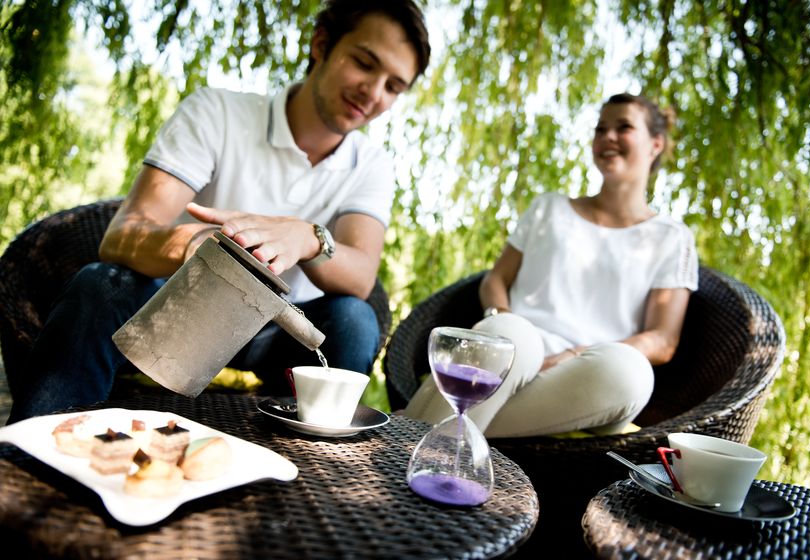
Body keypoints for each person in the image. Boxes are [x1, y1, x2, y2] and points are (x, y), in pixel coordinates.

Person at [6, 0, 431, 423]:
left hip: (278, 334)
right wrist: (203, 246)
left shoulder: (372, 164)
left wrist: (308, 237)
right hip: (178, 306)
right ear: (321, 44)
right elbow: (123, 235)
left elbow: (360, 275)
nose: (374, 93)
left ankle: (310, 465)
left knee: (354, 321)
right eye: (363, 63)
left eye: (394, 86)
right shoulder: (217, 112)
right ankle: (35, 451)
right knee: (100, 285)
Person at [405, 93, 698, 438]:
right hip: (513, 357)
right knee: (513, 331)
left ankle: (416, 429)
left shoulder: (672, 237)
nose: (608, 137)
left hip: (587, 374)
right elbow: (496, 279)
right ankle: (424, 445)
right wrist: (500, 321)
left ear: (655, 145)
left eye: (624, 127)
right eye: (600, 128)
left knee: (630, 373)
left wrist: (573, 355)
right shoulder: (550, 208)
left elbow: (662, 340)